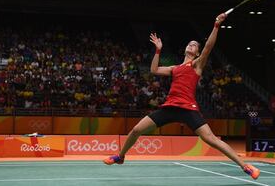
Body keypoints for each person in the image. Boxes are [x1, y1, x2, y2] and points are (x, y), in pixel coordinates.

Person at [103, 13, 260, 180]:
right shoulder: (175, 68)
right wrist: (158, 50)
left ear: (197, 52)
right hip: (170, 107)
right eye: (190, 44)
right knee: (136, 130)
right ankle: (120, 156)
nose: (191, 46)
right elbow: (154, 70)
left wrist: (216, 25)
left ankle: (245, 166)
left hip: (188, 109)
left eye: (194, 45)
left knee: (211, 139)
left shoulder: (197, 65)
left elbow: (208, 47)